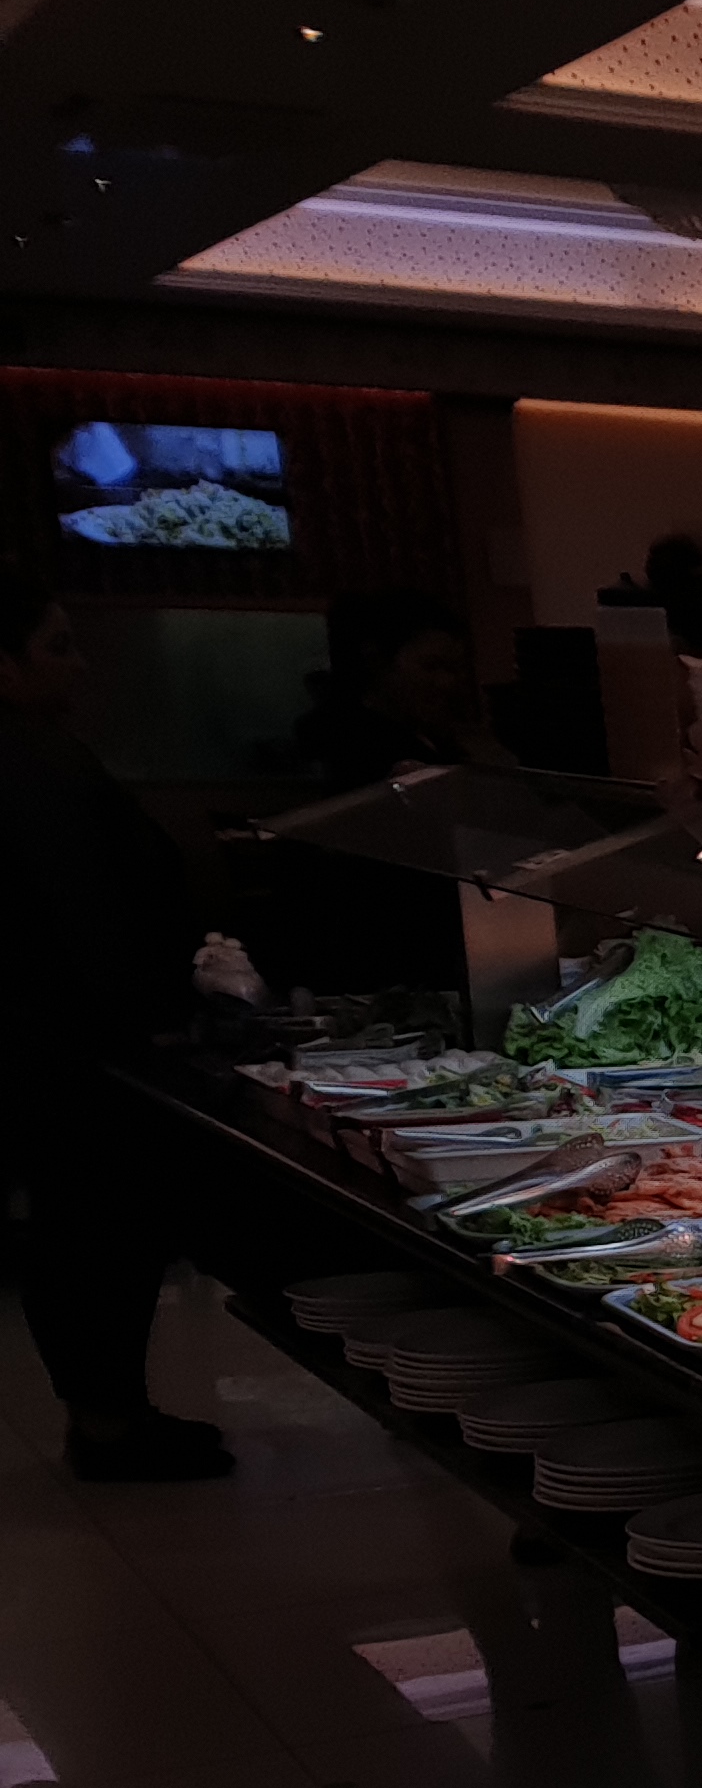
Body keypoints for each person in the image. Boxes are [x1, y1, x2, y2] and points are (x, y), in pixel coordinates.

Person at [0, 576, 241, 1479]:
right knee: (95, 1231)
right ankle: (107, 1423)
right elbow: (88, 920)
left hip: (53, 1044)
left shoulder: (38, 755)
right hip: (77, 1051)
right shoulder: (34, 766)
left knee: (79, 1229)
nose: (79, 664)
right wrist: (158, 1027)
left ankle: (106, 1415)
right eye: (57, 645)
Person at [294, 591, 514, 791]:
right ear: (377, 661)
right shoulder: (355, 747)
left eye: (454, 669)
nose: (447, 682)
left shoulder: (422, 729)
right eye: (431, 666)